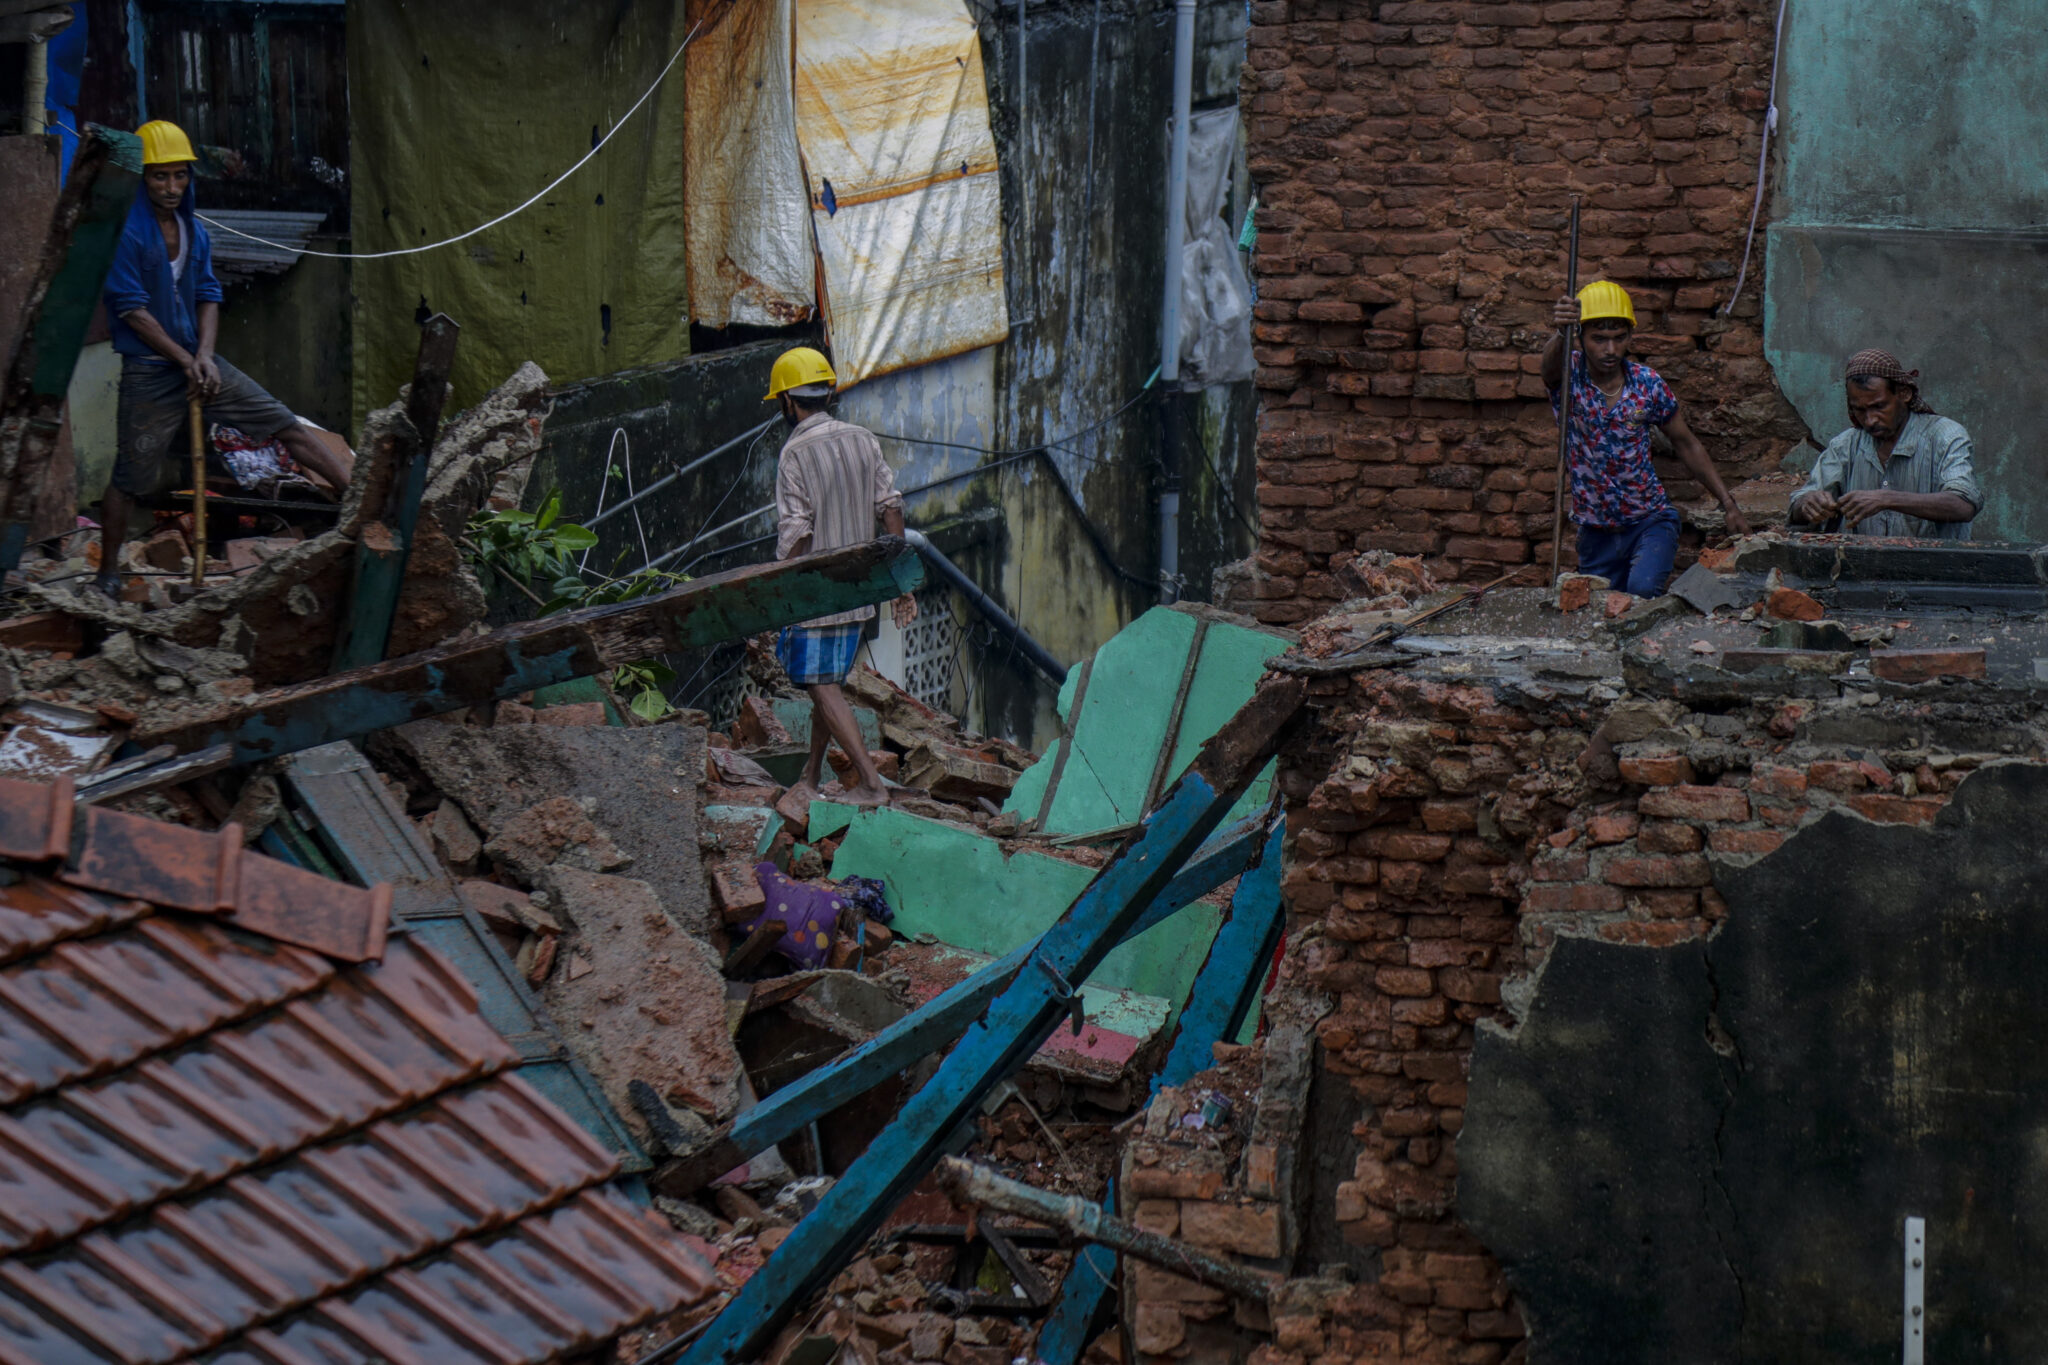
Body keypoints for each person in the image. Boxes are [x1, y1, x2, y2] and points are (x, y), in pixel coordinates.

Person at [96, 120, 353, 597]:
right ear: (142, 179)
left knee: (286, 426)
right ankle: (107, 575)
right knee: (129, 479)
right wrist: (184, 359)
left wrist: (206, 357)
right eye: (160, 176)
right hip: (151, 372)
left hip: (203, 367)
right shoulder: (126, 235)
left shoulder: (195, 230)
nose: (172, 187)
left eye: (179, 176)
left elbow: (209, 295)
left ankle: (362, 508)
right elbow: (133, 311)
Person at [767, 346, 918, 806]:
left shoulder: (794, 453)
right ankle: (810, 777)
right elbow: (890, 507)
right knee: (826, 682)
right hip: (859, 590)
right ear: (826, 393)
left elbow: (796, 535)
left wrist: (779, 592)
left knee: (820, 684)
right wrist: (897, 583)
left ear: (788, 402)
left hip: (816, 594)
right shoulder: (862, 438)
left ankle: (871, 783)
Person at [1542, 280, 1752, 597]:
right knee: (1601, 612)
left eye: (1619, 338)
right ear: (1581, 338)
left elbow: (1686, 443)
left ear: (1630, 336)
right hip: (1595, 531)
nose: (1610, 350)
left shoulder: (1646, 383)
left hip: (1649, 521)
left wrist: (1728, 504)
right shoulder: (1570, 377)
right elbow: (1547, 370)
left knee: (1640, 593)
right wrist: (1561, 333)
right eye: (1599, 339)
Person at [1788, 350, 1980, 540]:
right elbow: (1797, 507)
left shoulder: (1945, 436)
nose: (1870, 420)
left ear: (1904, 394)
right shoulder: (1845, 445)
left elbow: (1963, 504)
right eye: (1860, 410)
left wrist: (1887, 499)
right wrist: (1807, 503)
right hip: (1859, 566)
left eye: (1879, 406)